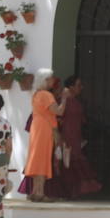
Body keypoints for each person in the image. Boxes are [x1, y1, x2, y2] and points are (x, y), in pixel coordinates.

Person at [46, 75, 102, 199]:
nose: (81, 88)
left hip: (75, 137)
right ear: (70, 87)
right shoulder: (61, 101)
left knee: (73, 164)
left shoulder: (77, 101)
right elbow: (57, 119)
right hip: (65, 137)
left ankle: (73, 193)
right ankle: (64, 192)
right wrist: (58, 138)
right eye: (78, 85)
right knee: (65, 163)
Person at [23, 70, 64, 202]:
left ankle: (36, 191)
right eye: (51, 79)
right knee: (42, 159)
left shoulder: (37, 94)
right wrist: (64, 98)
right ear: (45, 80)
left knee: (37, 158)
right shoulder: (46, 94)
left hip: (37, 128)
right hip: (44, 129)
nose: (53, 81)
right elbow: (59, 111)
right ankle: (39, 192)